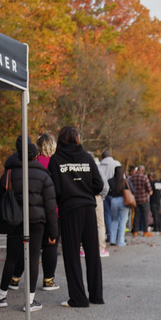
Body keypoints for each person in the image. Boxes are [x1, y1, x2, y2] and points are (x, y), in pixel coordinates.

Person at [0, 138, 58, 311]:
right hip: (37, 221)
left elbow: (1, 195)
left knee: (11, 257)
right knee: (33, 258)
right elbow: (50, 205)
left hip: (15, 220)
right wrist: (53, 231)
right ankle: (30, 300)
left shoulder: (9, 173)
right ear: (35, 157)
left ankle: (2, 295)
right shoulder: (44, 175)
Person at [47, 125, 104, 308]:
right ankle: (96, 295)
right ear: (77, 138)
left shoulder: (56, 160)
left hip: (70, 209)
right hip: (88, 208)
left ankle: (78, 298)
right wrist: (85, 190)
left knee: (72, 255)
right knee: (92, 253)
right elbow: (98, 184)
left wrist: (67, 193)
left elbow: (55, 189)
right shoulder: (87, 157)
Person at [35, 132, 60, 292]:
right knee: (51, 245)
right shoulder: (56, 163)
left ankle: (15, 279)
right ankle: (48, 280)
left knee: (31, 247)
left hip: (34, 209)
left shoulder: (33, 162)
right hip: (54, 210)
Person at [105, 165, 132, 247]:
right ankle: (120, 241)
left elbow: (108, 192)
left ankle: (112, 239)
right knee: (123, 221)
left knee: (114, 220)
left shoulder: (110, 181)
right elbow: (132, 190)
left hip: (113, 201)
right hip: (123, 201)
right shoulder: (125, 181)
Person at [98, 149, 120, 242]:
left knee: (107, 214)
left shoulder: (99, 166)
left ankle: (110, 235)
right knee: (116, 216)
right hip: (115, 192)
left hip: (104, 192)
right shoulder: (116, 163)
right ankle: (117, 236)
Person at [129, 164, 153, 237]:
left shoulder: (132, 178)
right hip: (144, 199)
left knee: (136, 215)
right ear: (143, 170)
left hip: (135, 199)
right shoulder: (144, 177)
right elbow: (149, 189)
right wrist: (150, 192)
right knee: (145, 216)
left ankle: (135, 231)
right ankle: (145, 231)